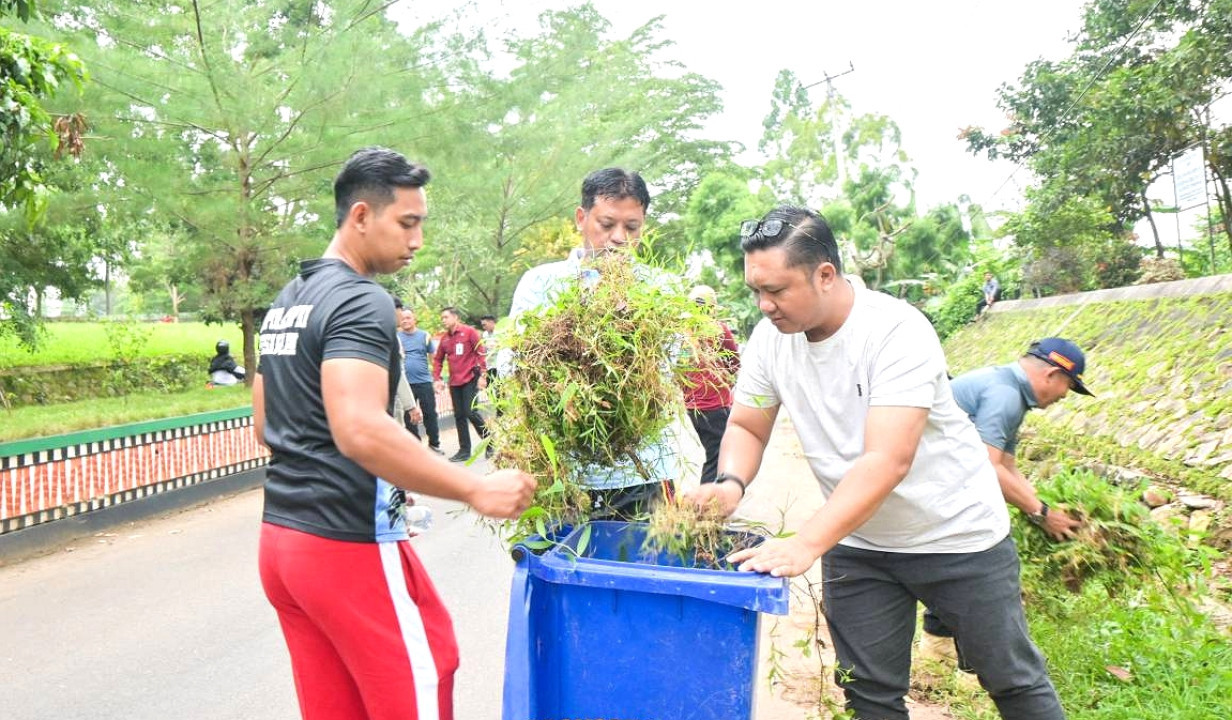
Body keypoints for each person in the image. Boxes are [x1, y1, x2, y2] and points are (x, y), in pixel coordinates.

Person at [690, 206, 1066, 720]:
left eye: (776, 291)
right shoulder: (768, 340)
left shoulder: (896, 330)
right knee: (869, 694)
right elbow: (747, 426)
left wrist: (806, 542)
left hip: (956, 537)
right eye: (757, 291)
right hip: (860, 545)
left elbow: (887, 460)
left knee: (1012, 682)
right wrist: (731, 483)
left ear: (825, 274)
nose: (765, 305)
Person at [251, 147, 535, 720]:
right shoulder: (360, 299)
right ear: (361, 216)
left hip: (282, 543)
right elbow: (358, 427)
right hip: (343, 540)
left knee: (338, 705)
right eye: (408, 222)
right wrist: (473, 488)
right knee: (423, 677)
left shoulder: (290, 299)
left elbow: (265, 423)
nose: (417, 240)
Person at [506, 167, 676, 521]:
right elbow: (513, 367)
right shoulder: (540, 283)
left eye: (632, 228)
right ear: (582, 218)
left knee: (647, 568)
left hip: (643, 470)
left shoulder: (660, 290)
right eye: (607, 224)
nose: (619, 238)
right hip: (562, 477)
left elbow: (666, 376)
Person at [920, 338, 1091, 665]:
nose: (1064, 395)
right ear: (1052, 374)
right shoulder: (1005, 395)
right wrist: (1040, 513)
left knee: (966, 554)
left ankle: (938, 643)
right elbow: (986, 467)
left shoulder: (1010, 390)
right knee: (981, 561)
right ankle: (968, 660)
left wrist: (1044, 506)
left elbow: (1008, 466)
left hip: (941, 480)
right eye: (1068, 385)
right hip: (928, 483)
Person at [681, 284, 740, 485]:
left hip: (693, 407)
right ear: (712, 306)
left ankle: (712, 502)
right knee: (718, 455)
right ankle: (707, 506)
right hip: (714, 405)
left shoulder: (684, 335)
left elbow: (678, 369)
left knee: (713, 452)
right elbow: (734, 361)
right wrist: (726, 377)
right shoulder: (718, 329)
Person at [432, 307, 490, 462]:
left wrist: (483, 375)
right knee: (459, 416)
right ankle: (464, 450)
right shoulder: (444, 339)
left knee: (471, 412)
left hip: (470, 378)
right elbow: (438, 360)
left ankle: (489, 442)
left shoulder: (469, 332)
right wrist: (437, 378)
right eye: (442, 318)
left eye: (446, 317)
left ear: (455, 317)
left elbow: (480, 352)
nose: (443, 320)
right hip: (455, 382)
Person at [398, 307, 444, 454]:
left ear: (414, 319)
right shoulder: (396, 337)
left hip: (424, 381)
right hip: (405, 384)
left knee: (430, 413)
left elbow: (433, 357)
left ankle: (434, 443)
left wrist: (436, 378)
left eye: (408, 317)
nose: (405, 320)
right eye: (402, 318)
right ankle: (415, 447)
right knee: (408, 416)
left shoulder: (424, 335)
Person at [479, 315, 499, 387]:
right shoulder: (485, 334)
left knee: (499, 387)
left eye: (485, 325)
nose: (483, 327)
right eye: (482, 325)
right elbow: (483, 347)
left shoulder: (500, 332)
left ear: (491, 322)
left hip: (499, 365)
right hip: (489, 365)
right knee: (490, 387)